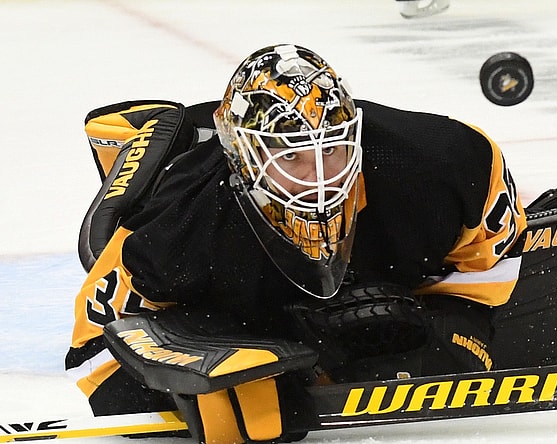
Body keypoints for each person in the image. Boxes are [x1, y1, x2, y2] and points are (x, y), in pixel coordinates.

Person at [66, 43, 527, 442]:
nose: (321, 179)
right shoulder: (178, 221)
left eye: (331, 149)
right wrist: (188, 383)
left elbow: (488, 265)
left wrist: (449, 334)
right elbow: (92, 357)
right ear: (245, 159)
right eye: (293, 158)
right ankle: (155, 133)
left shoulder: (444, 164)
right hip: (227, 286)